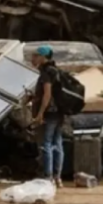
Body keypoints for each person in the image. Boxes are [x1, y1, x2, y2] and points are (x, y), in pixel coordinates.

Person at [31, 45, 65, 188]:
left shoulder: (45, 73)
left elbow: (47, 94)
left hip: (49, 113)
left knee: (46, 145)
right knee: (58, 144)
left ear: (43, 57)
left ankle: (48, 177)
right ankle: (58, 178)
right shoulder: (57, 70)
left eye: (35, 55)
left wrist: (40, 114)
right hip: (60, 112)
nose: (33, 58)